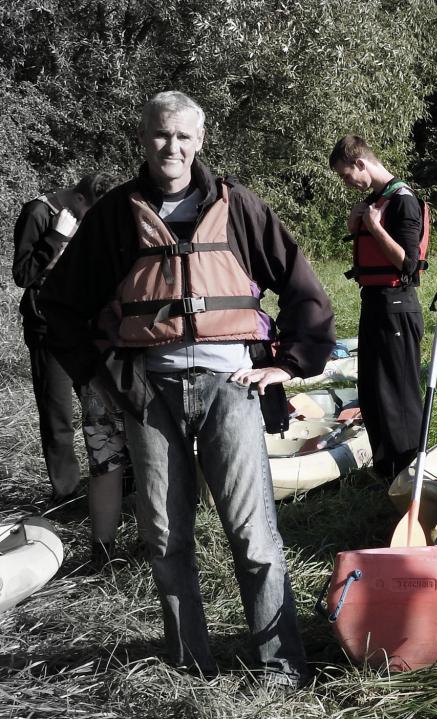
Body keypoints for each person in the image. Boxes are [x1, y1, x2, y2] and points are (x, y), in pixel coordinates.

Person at [39, 91, 334, 687]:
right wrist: (100, 375)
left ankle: (281, 668)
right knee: (166, 536)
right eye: (158, 135)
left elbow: (305, 290)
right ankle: (190, 665)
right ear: (143, 139)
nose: (170, 147)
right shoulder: (116, 215)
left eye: (181, 136)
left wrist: (290, 362)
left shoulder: (239, 207)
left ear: (200, 141)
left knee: (252, 534)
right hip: (150, 396)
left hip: (231, 387)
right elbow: (59, 304)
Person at [13, 173, 132, 567]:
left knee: (102, 411)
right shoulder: (39, 213)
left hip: (87, 329)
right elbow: (23, 275)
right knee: (58, 412)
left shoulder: (92, 215)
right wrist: (57, 239)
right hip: (48, 328)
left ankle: (114, 486)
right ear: (80, 199)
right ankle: (65, 495)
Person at [329, 135, 426, 479]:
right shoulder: (374, 200)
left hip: (397, 306)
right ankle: (386, 470)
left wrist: (371, 225)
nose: (347, 183)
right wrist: (356, 225)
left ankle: (409, 471)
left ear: (361, 163)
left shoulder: (403, 201)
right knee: (372, 392)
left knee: (398, 394)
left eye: (346, 175)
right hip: (373, 303)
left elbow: (409, 264)